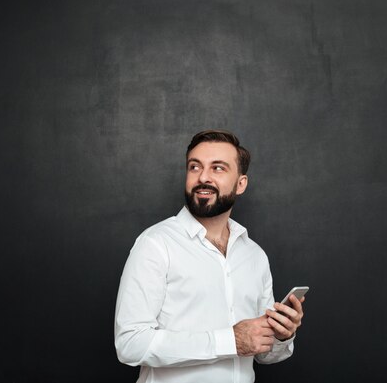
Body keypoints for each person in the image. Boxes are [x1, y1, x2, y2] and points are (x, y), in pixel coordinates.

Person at [114, 129, 305, 383]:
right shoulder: (155, 244)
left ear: (241, 184)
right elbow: (130, 344)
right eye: (194, 167)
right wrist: (230, 341)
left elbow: (263, 354)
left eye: (218, 168)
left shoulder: (255, 256)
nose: (203, 177)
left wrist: (281, 336)